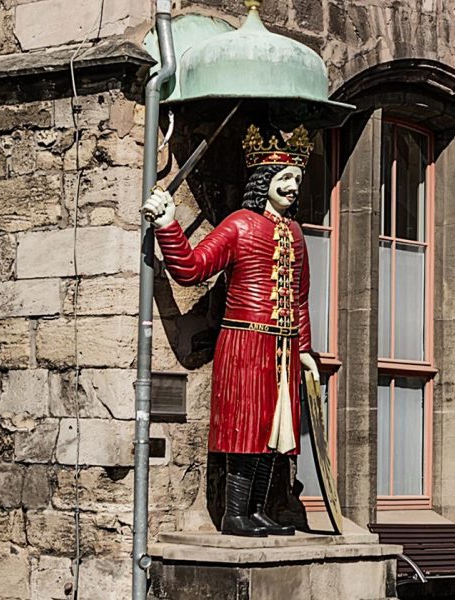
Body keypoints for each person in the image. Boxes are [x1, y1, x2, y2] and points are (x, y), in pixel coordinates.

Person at [142, 124, 320, 536]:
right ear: (264, 180)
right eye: (285, 177)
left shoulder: (295, 234)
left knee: (277, 430)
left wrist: (305, 349)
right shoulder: (239, 225)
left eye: (297, 179)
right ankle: (234, 513)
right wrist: (168, 224)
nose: (292, 186)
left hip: (284, 347)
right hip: (245, 342)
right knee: (246, 425)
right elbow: (192, 268)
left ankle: (257, 509)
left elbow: (300, 296)